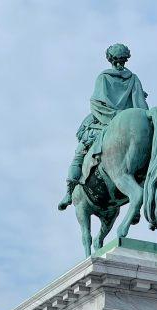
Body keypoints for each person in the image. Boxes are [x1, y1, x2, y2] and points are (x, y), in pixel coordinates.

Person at [57, 43, 149, 210]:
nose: (120, 63)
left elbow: (97, 102)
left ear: (111, 60)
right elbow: (140, 106)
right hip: (129, 123)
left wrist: (113, 117)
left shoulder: (104, 77)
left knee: (79, 155)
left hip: (104, 121)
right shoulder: (133, 78)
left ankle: (69, 193)